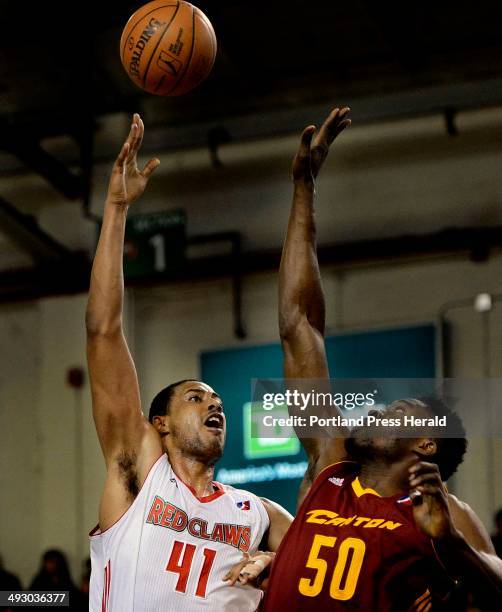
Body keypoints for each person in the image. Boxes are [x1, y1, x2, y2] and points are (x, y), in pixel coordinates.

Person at [261, 107, 502, 610]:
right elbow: (299, 325)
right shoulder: (330, 464)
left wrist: (453, 550)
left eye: (400, 413)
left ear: (427, 444)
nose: (378, 411)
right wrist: (304, 190)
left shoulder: (446, 515)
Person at [86, 115, 292, 612]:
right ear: (161, 424)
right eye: (196, 397)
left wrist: (272, 562)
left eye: (217, 400)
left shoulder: (256, 511)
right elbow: (103, 330)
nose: (213, 405)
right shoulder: (138, 472)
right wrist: (116, 209)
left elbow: (326, 562)